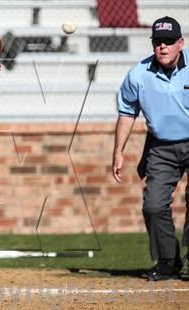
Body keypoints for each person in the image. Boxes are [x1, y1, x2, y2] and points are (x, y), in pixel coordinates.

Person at [112, 16, 189, 281]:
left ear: (181, 43)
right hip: (160, 146)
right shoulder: (138, 74)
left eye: (168, 42)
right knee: (153, 205)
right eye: (158, 42)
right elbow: (126, 112)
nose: (163, 47)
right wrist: (118, 151)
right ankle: (168, 261)